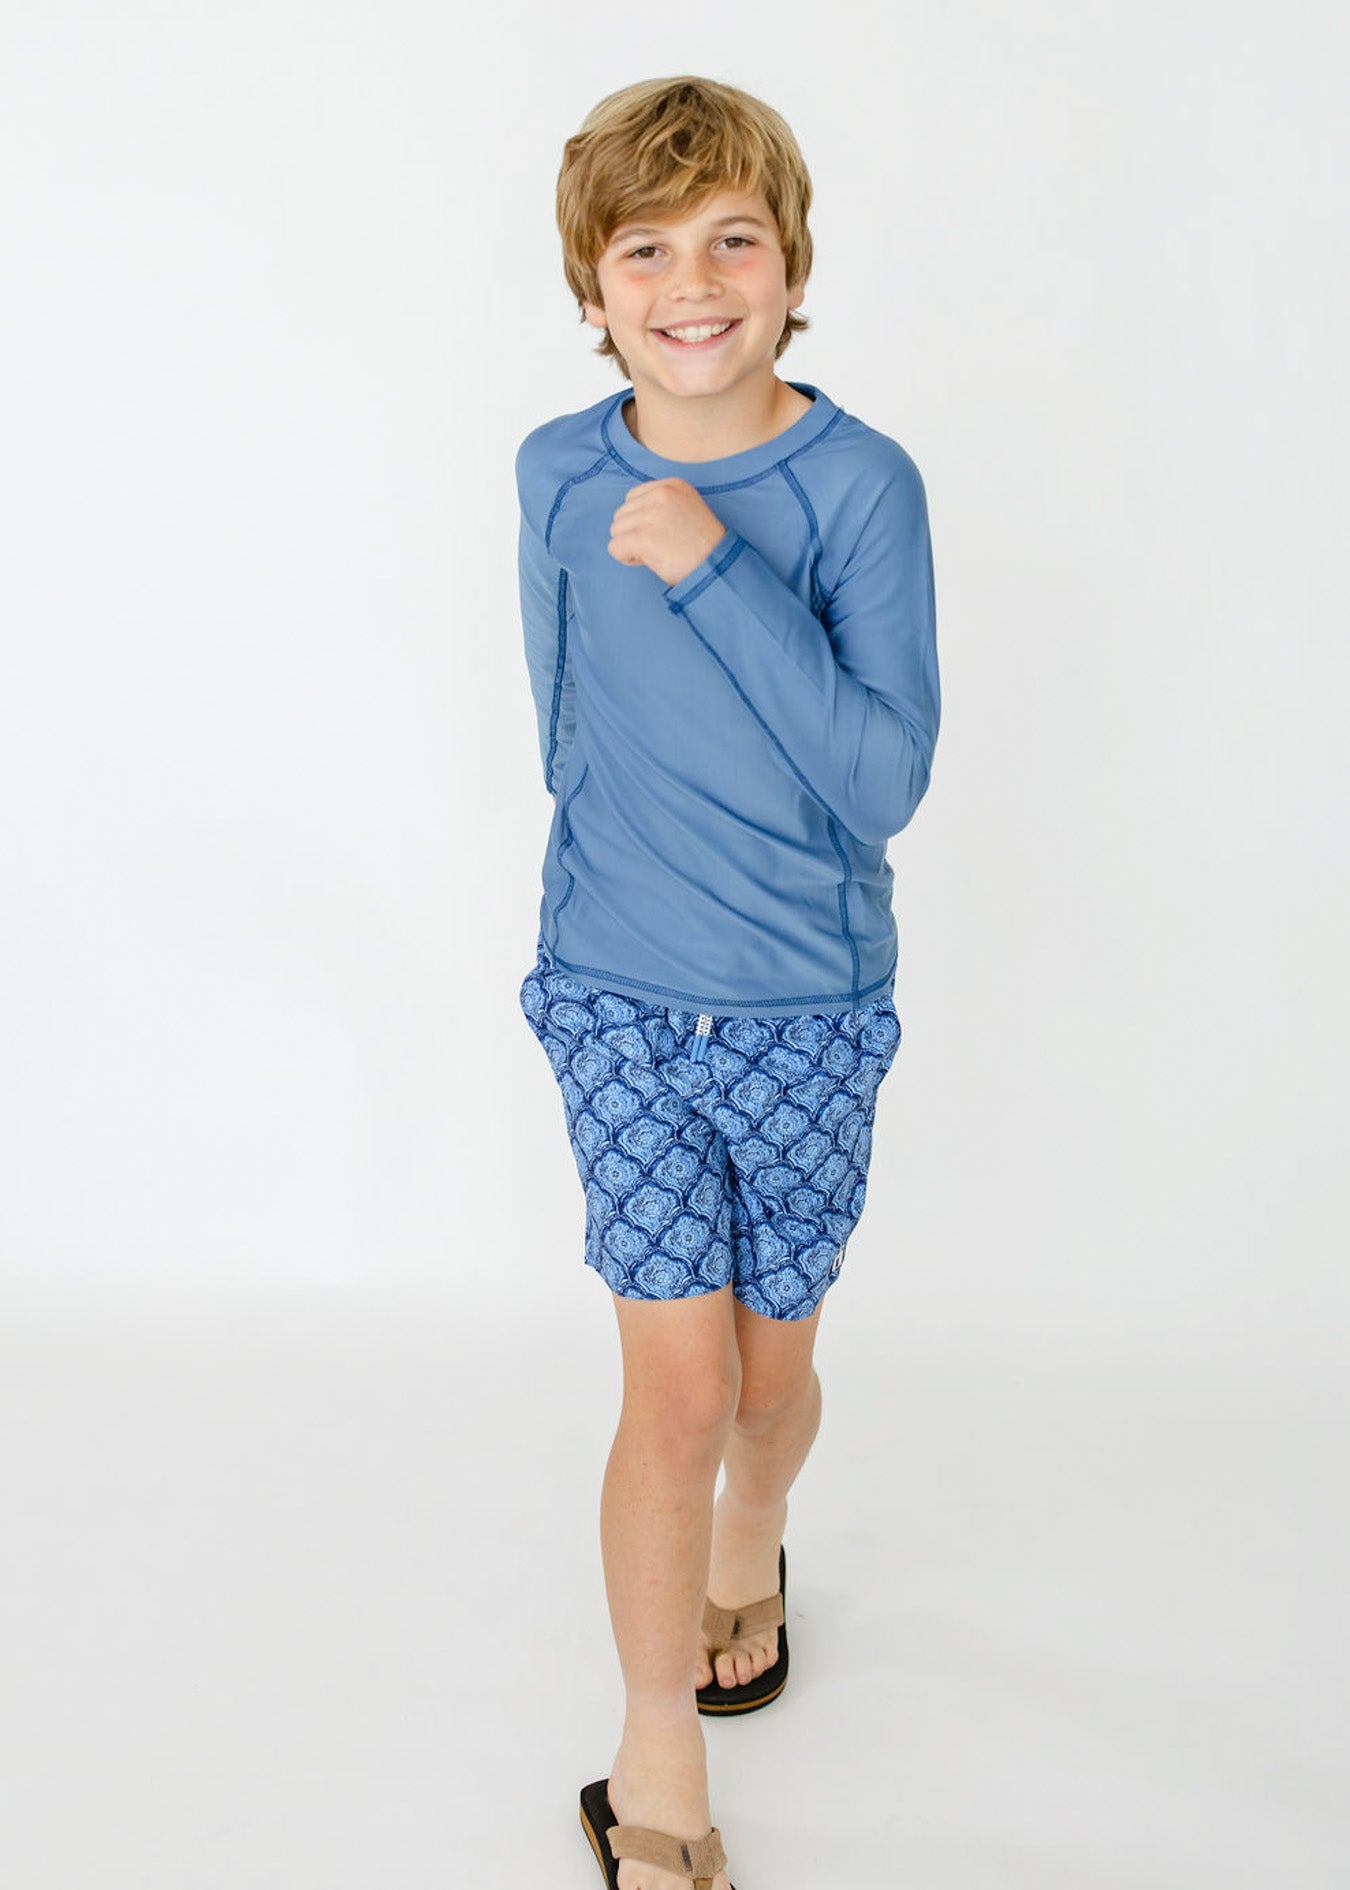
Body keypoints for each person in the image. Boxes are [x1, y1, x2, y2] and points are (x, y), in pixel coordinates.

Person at [513, 74, 940, 1890]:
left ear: (789, 262)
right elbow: (563, 725)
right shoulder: (552, 467)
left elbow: (882, 777)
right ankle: (655, 1762)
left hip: (807, 1010)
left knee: (763, 1396)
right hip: (613, 992)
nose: (693, 283)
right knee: (669, 1394)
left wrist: (708, 574)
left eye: (731, 240)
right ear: (593, 292)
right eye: (645, 250)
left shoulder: (855, 484)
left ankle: (751, 1536)